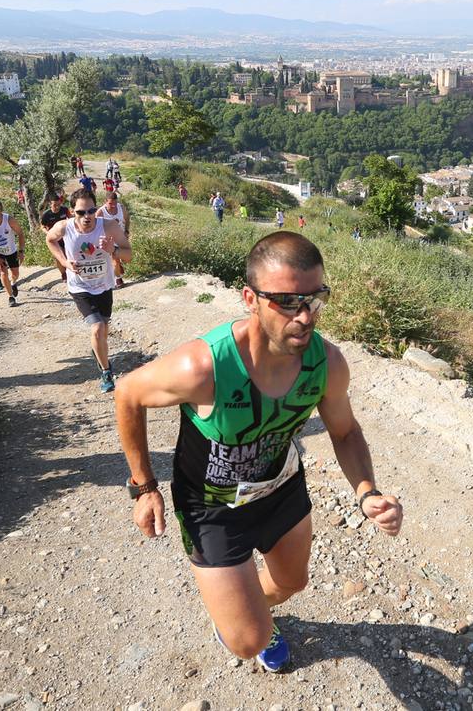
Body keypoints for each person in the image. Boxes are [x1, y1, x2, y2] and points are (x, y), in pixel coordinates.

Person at [114, 232, 403, 672]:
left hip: (281, 489)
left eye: (315, 299)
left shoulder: (326, 364)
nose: (305, 317)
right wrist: (144, 487)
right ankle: (244, 619)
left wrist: (366, 492)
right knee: (248, 641)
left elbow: (344, 433)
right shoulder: (205, 367)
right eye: (288, 302)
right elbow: (128, 393)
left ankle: (251, 606)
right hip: (210, 506)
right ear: (250, 297)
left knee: (292, 581)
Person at [46, 188, 133, 393]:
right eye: (81, 212)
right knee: (97, 328)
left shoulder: (109, 226)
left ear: (96, 209)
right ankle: (106, 372)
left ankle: (98, 349)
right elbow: (50, 239)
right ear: (72, 212)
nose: (87, 216)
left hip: (104, 285)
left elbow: (128, 254)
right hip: (80, 287)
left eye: (91, 211)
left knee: (103, 328)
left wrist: (114, 251)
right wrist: (65, 262)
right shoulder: (64, 227)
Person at [95, 191, 131, 288]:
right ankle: (118, 279)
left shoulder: (121, 208)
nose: (113, 206)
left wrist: (127, 231)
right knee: (115, 260)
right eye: (110, 203)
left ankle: (117, 268)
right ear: (105, 202)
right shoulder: (100, 212)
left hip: (121, 238)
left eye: (115, 203)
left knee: (126, 258)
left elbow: (127, 218)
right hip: (109, 240)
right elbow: (94, 227)